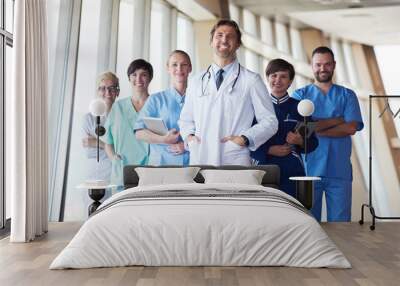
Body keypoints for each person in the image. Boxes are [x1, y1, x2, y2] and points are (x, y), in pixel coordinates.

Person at [179, 19, 278, 166]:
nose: (224, 40)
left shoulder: (251, 80)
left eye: (230, 36)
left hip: (234, 157)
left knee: (233, 189)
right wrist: (189, 138)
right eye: (219, 35)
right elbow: (185, 119)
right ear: (211, 41)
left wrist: (245, 138)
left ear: (238, 44)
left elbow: (270, 121)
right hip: (200, 156)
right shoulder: (196, 81)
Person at [292, 46, 364, 222]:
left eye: (327, 64)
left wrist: (314, 126)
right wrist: (338, 120)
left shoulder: (347, 95)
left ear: (334, 65)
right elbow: (301, 130)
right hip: (308, 171)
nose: (322, 69)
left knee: (341, 225)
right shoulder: (300, 95)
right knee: (309, 224)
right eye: (318, 65)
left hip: (339, 171)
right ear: (311, 66)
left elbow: (351, 128)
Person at [251, 59, 318, 198]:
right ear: (267, 78)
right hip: (264, 169)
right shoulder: (255, 107)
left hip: (292, 170)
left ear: (290, 81)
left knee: (294, 212)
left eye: (283, 76)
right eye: (274, 75)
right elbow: (247, 141)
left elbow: (313, 143)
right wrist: (269, 150)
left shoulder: (302, 108)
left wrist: (300, 141)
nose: (278, 80)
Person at [134, 51, 191, 166]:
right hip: (161, 165)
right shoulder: (156, 100)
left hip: (191, 165)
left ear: (190, 68)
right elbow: (139, 132)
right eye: (174, 64)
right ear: (168, 68)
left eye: (183, 64)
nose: (179, 68)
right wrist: (164, 139)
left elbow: (206, 132)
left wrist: (186, 145)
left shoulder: (198, 99)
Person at [102, 59, 151, 187]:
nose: (138, 79)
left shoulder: (156, 106)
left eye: (143, 74)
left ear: (150, 78)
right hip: (122, 172)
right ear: (129, 78)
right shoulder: (117, 108)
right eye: (134, 74)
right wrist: (114, 159)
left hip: (150, 172)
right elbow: (108, 143)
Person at [82, 71, 119, 182]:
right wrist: (110, 146)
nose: (107, 92)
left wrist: (98, 143)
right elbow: (88, 148)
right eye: (102, 88)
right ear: (98, 92)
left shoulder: (123, 117)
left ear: (117, 92)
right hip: (95, 175)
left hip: (116, 175)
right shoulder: (88, 118)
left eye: (111, 88)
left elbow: (124, 149)